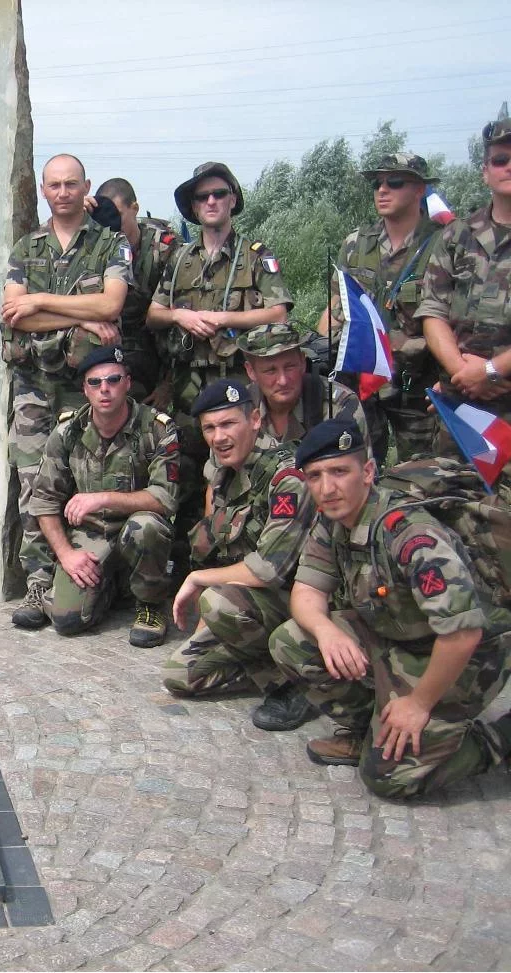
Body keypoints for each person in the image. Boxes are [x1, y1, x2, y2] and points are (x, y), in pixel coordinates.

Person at [269, 419, 511, 798]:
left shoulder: (411, 536)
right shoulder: (332, 520)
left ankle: (498, 738)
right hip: (398, 636)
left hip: (464, 656)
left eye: (339, 471)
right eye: (315, 476)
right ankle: (369, 729)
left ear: (367, 472)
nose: (328, 488)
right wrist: (327, 632)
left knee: (389, 777)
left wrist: (418, 703)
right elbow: (306, 592)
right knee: (292, 639)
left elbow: (463, 634)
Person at [1, 155, 131, 629]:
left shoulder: (109, 243)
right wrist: (79, 314)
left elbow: (113, 302)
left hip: (87, 385)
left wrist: (40, 301)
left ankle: (89, 579)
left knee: (86, 483)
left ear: (86, 187)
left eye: (71, 184)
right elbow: (15, 314)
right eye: (54, 185)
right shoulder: (27, 247)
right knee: (34, 482)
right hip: (33, 385)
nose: (62, 192)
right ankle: (39, 586)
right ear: (43, 189)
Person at [146, 162, 292, 556]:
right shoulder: (179, 259)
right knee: (185, 476)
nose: (210, 201)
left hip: (235, 385)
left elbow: (279, 312)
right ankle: (183, 567)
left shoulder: (254, 255)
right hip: (185, 388)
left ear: (232, 200)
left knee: (235, 473)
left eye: (218, 194)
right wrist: (181, 315)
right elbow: (153, 314)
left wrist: (225, 318)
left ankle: (236, 561)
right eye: (201, 197)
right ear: (193, 208)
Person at [162, 379, 318, 731]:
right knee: (180, 676)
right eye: (210, 428)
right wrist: (207, 622)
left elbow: (268, 570)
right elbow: (215, 550)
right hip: (253, 603)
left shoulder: (286, 478)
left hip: (303, 605)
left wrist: (198, 582)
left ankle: (305, 680)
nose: (219, 437)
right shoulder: (217, 472)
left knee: (219, 602)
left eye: (229, 423)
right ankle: (275, 669)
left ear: (256, 420)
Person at [26, 346, 178, 646]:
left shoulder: (157, 428)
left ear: (128, 383)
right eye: (95, 382)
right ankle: (113, 587)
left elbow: (165, 498)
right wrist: (67, 555)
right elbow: (44, 500)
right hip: (91, 534)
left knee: (146, 526)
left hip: (137, 529)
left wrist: (103, 498)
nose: (104, 389)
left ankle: (149, 603)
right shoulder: (68, 431)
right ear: (85, 389)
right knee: (66, 620)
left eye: (113, 379)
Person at [318, 152, 445, 464]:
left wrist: (451, 380)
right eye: (377, 183)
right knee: (357, 471)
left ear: (419, 190)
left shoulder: (444, 244)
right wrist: (320, 353)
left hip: (419, 386)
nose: (382, 190)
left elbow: (455, 320)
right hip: (362, 385)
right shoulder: (357, 243)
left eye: (395, 181)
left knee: (421, 475)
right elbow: (336, 304)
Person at [418, 119, 511, 480]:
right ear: (485, 172)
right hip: (461, 406)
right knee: (456, 506)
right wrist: (462, 372)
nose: (509, 167)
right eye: (501, 160)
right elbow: (433, 311)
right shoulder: (458, 236)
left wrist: (490, 371)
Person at [93, 177, 181, 403]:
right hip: (114, 340)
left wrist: (168, 385)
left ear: (135, 209)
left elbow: (180, 321)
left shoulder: (164, 249)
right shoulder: (94, 244)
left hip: (158, 341)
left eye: (118, 215)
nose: (111, 223)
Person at [236, 322, 368, 448]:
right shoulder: (240, 409)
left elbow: (355, 467)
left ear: (303, 363)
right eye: (270, 371)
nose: (283, 381)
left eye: (290, 367)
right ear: (251, 371)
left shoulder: (338, 405)